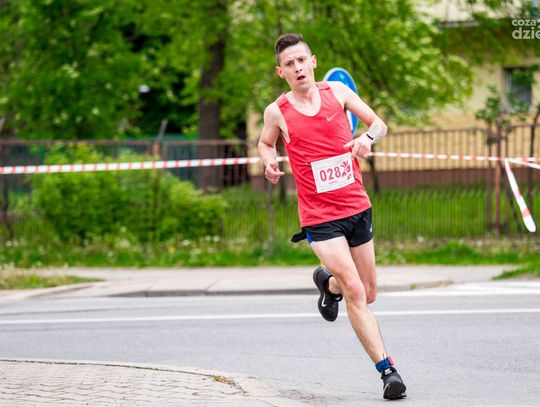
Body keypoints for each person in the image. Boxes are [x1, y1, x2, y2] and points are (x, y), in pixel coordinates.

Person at [257, 33, 407, 400]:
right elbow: (265, 142)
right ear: (280, 72)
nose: (297, 68)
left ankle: (328, 285)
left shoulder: (338, 93)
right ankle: (388, 371)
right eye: (289, 64)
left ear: (313, 62)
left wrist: (367, 140)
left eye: (301, 60)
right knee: (355, 289)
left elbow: (379, 124)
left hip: (356, 206)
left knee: (368, 291)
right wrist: (269, 162)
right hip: (319, 216)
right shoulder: (277, 111)